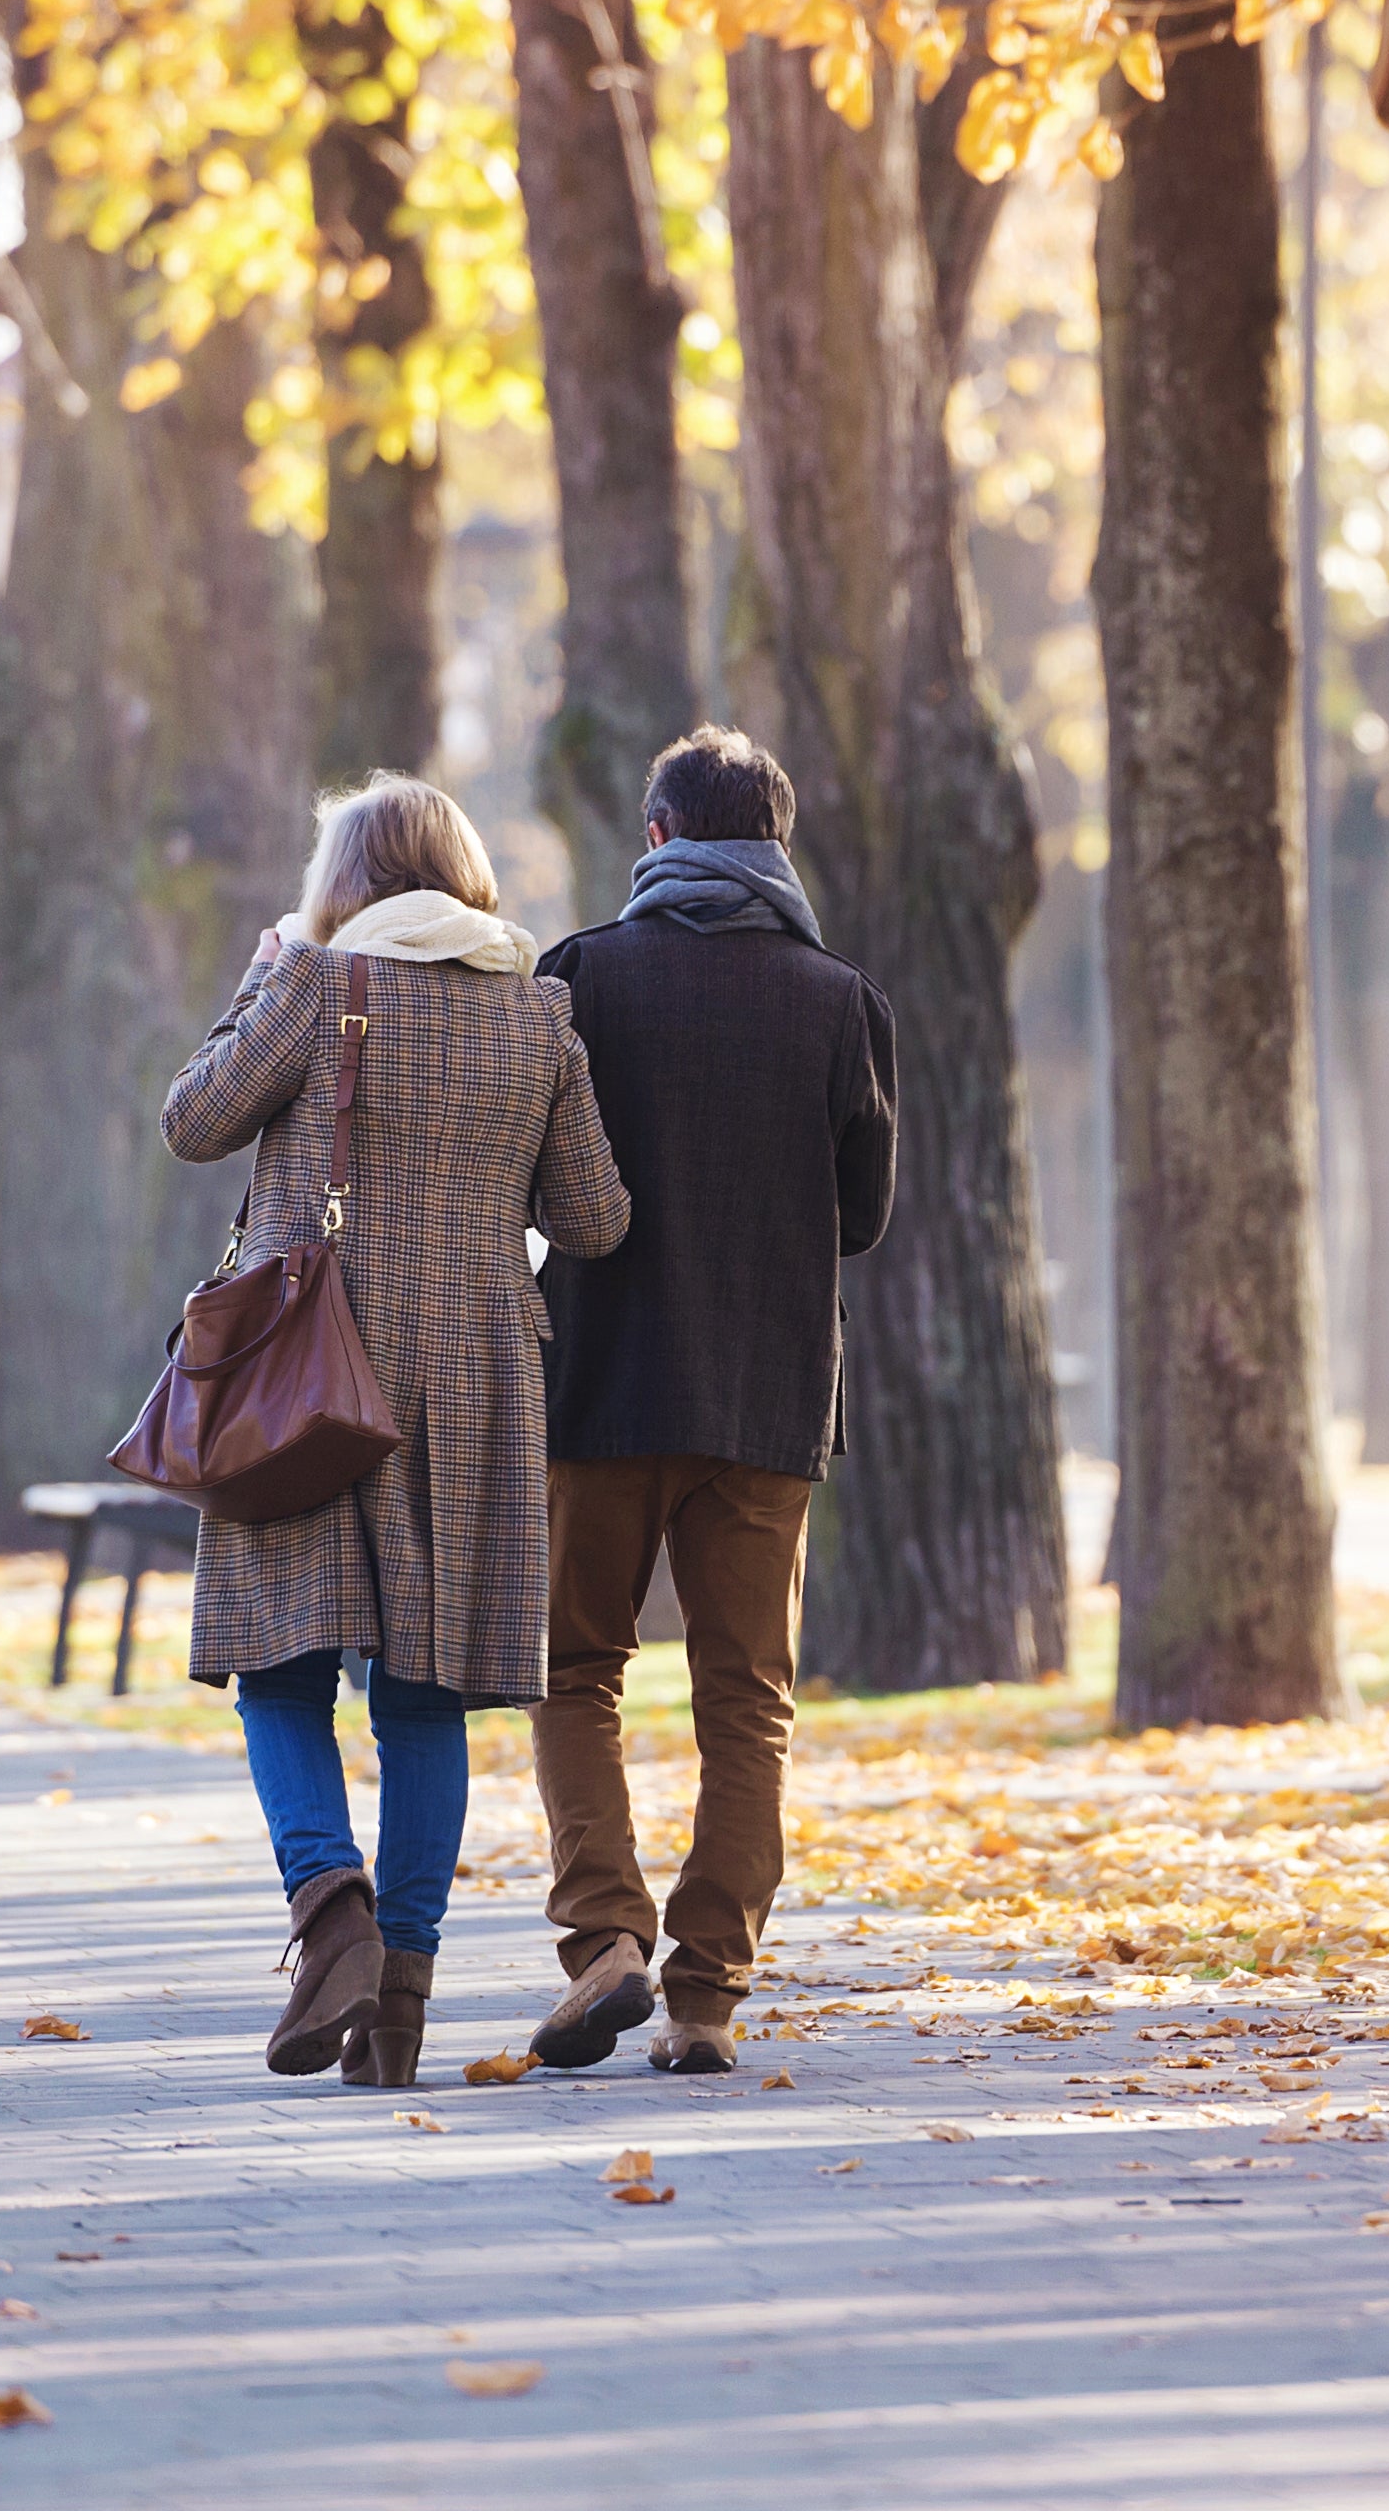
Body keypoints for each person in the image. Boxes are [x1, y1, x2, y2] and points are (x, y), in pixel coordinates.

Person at [160, 774, 628, 2092]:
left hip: (307, 1369)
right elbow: (594, 1219)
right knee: (424, 1696)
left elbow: (193, 1122)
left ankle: (332, 1919)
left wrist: (266, 977)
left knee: (280, 1668)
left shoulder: (313, 983)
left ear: (343, 882)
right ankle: (398, 2010)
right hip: (480, 1373)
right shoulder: (539, 1013)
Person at [524, 727, 896, 2078]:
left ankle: (604, 1939)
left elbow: (533, 1183)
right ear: (776, 844)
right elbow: (860, 1217)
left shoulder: (581, 976)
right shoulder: (842, 1001)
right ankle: (706, 1996)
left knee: (575, 1673)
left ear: (661, 835)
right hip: (767, 1402)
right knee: (747, 1699)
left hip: (601, 1388)